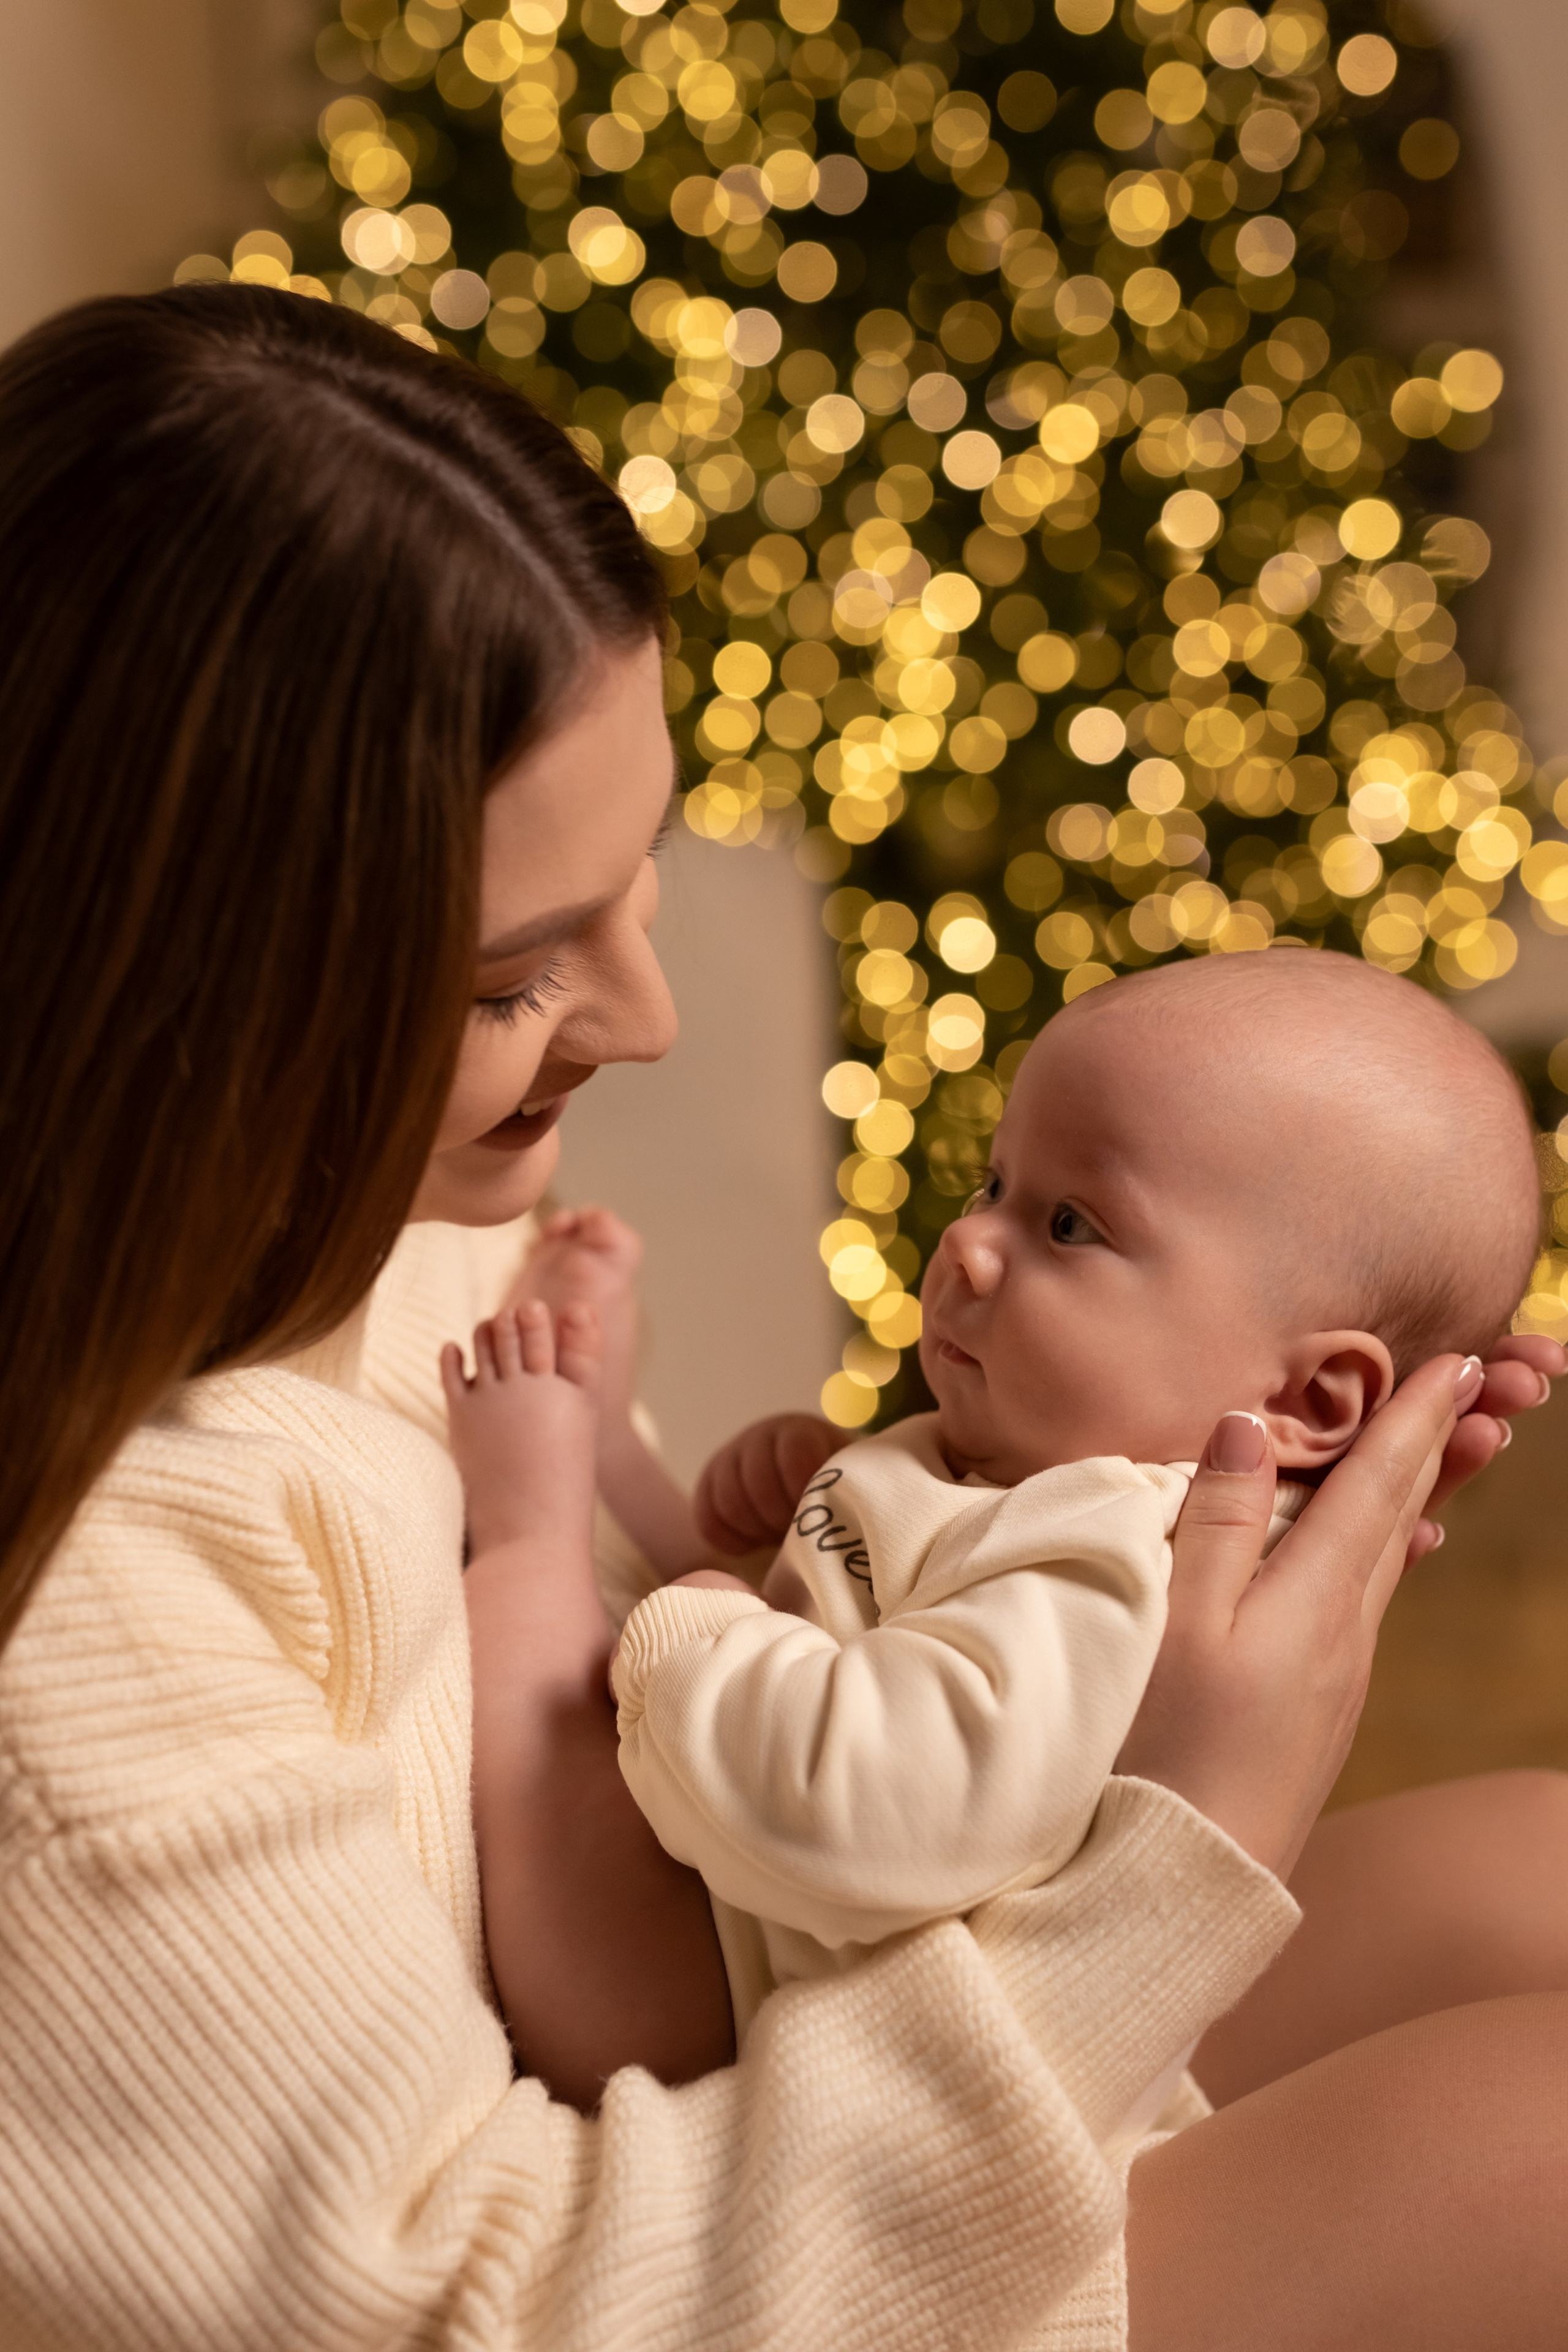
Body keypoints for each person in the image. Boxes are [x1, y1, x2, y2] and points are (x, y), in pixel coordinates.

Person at [0, 284, 1561, 2352]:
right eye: (514, 978)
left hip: (783, 1997)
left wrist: (994, 1510)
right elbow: (496, 2299)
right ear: (186, 991)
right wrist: (1192, 1835)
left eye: (638, 879)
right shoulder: (72, 1670)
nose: (644, 1021)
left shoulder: (365, 1198)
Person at [443, 952, 1539, 2091]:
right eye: (994, 1185)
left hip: (693, 2002)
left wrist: (703, 1619)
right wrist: (813, 1512)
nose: (967, 1244)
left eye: (1070, 1224)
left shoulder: (1106, 1567)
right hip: (735, 1896)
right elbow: (836, 1659)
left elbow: (850, 1809)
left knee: (590, 1661)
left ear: (1307, 1399)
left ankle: (529, 1517)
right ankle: (601, 1445)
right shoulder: (1030, 1472)